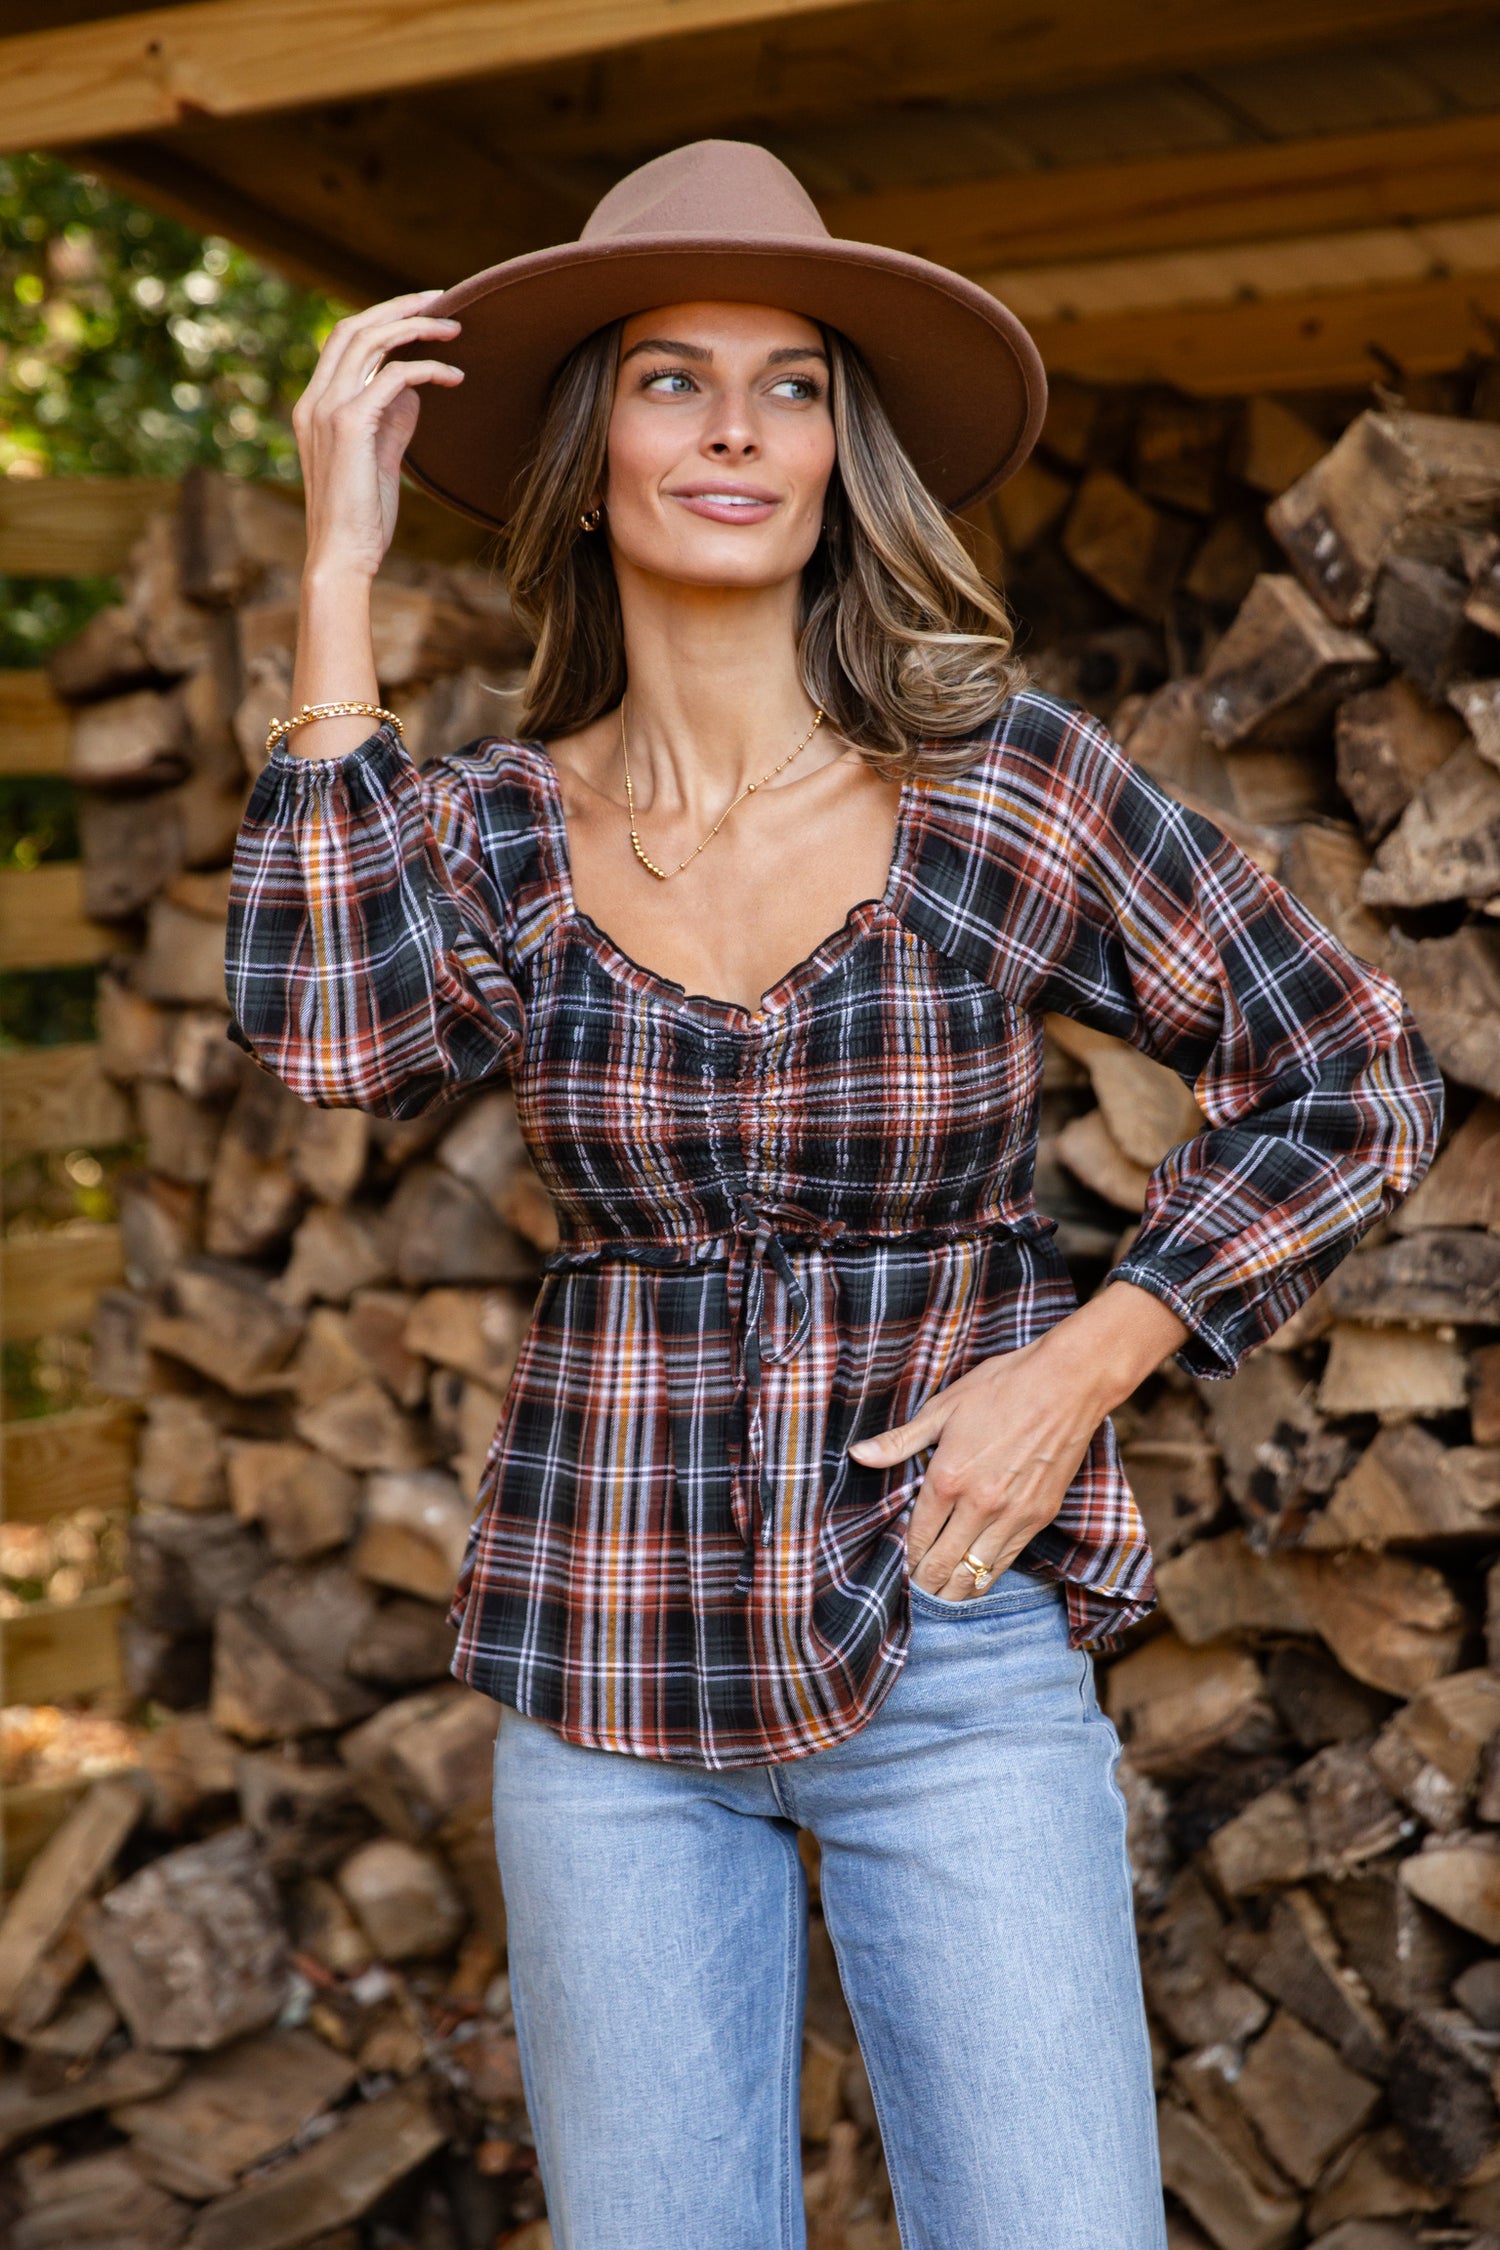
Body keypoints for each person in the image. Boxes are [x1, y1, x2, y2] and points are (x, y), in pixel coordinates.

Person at [227, 141, 1441, 2250]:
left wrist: (1086, 1364)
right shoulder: (498, 828)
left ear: (841, 453)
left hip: (955, 1649)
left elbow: (1354, 1066)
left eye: (790, 384)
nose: (733, 429)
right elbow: (329, 1032)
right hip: (603, 1668)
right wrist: (336, 574)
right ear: (588, 446)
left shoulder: (1001, 792)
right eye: (672, 379)